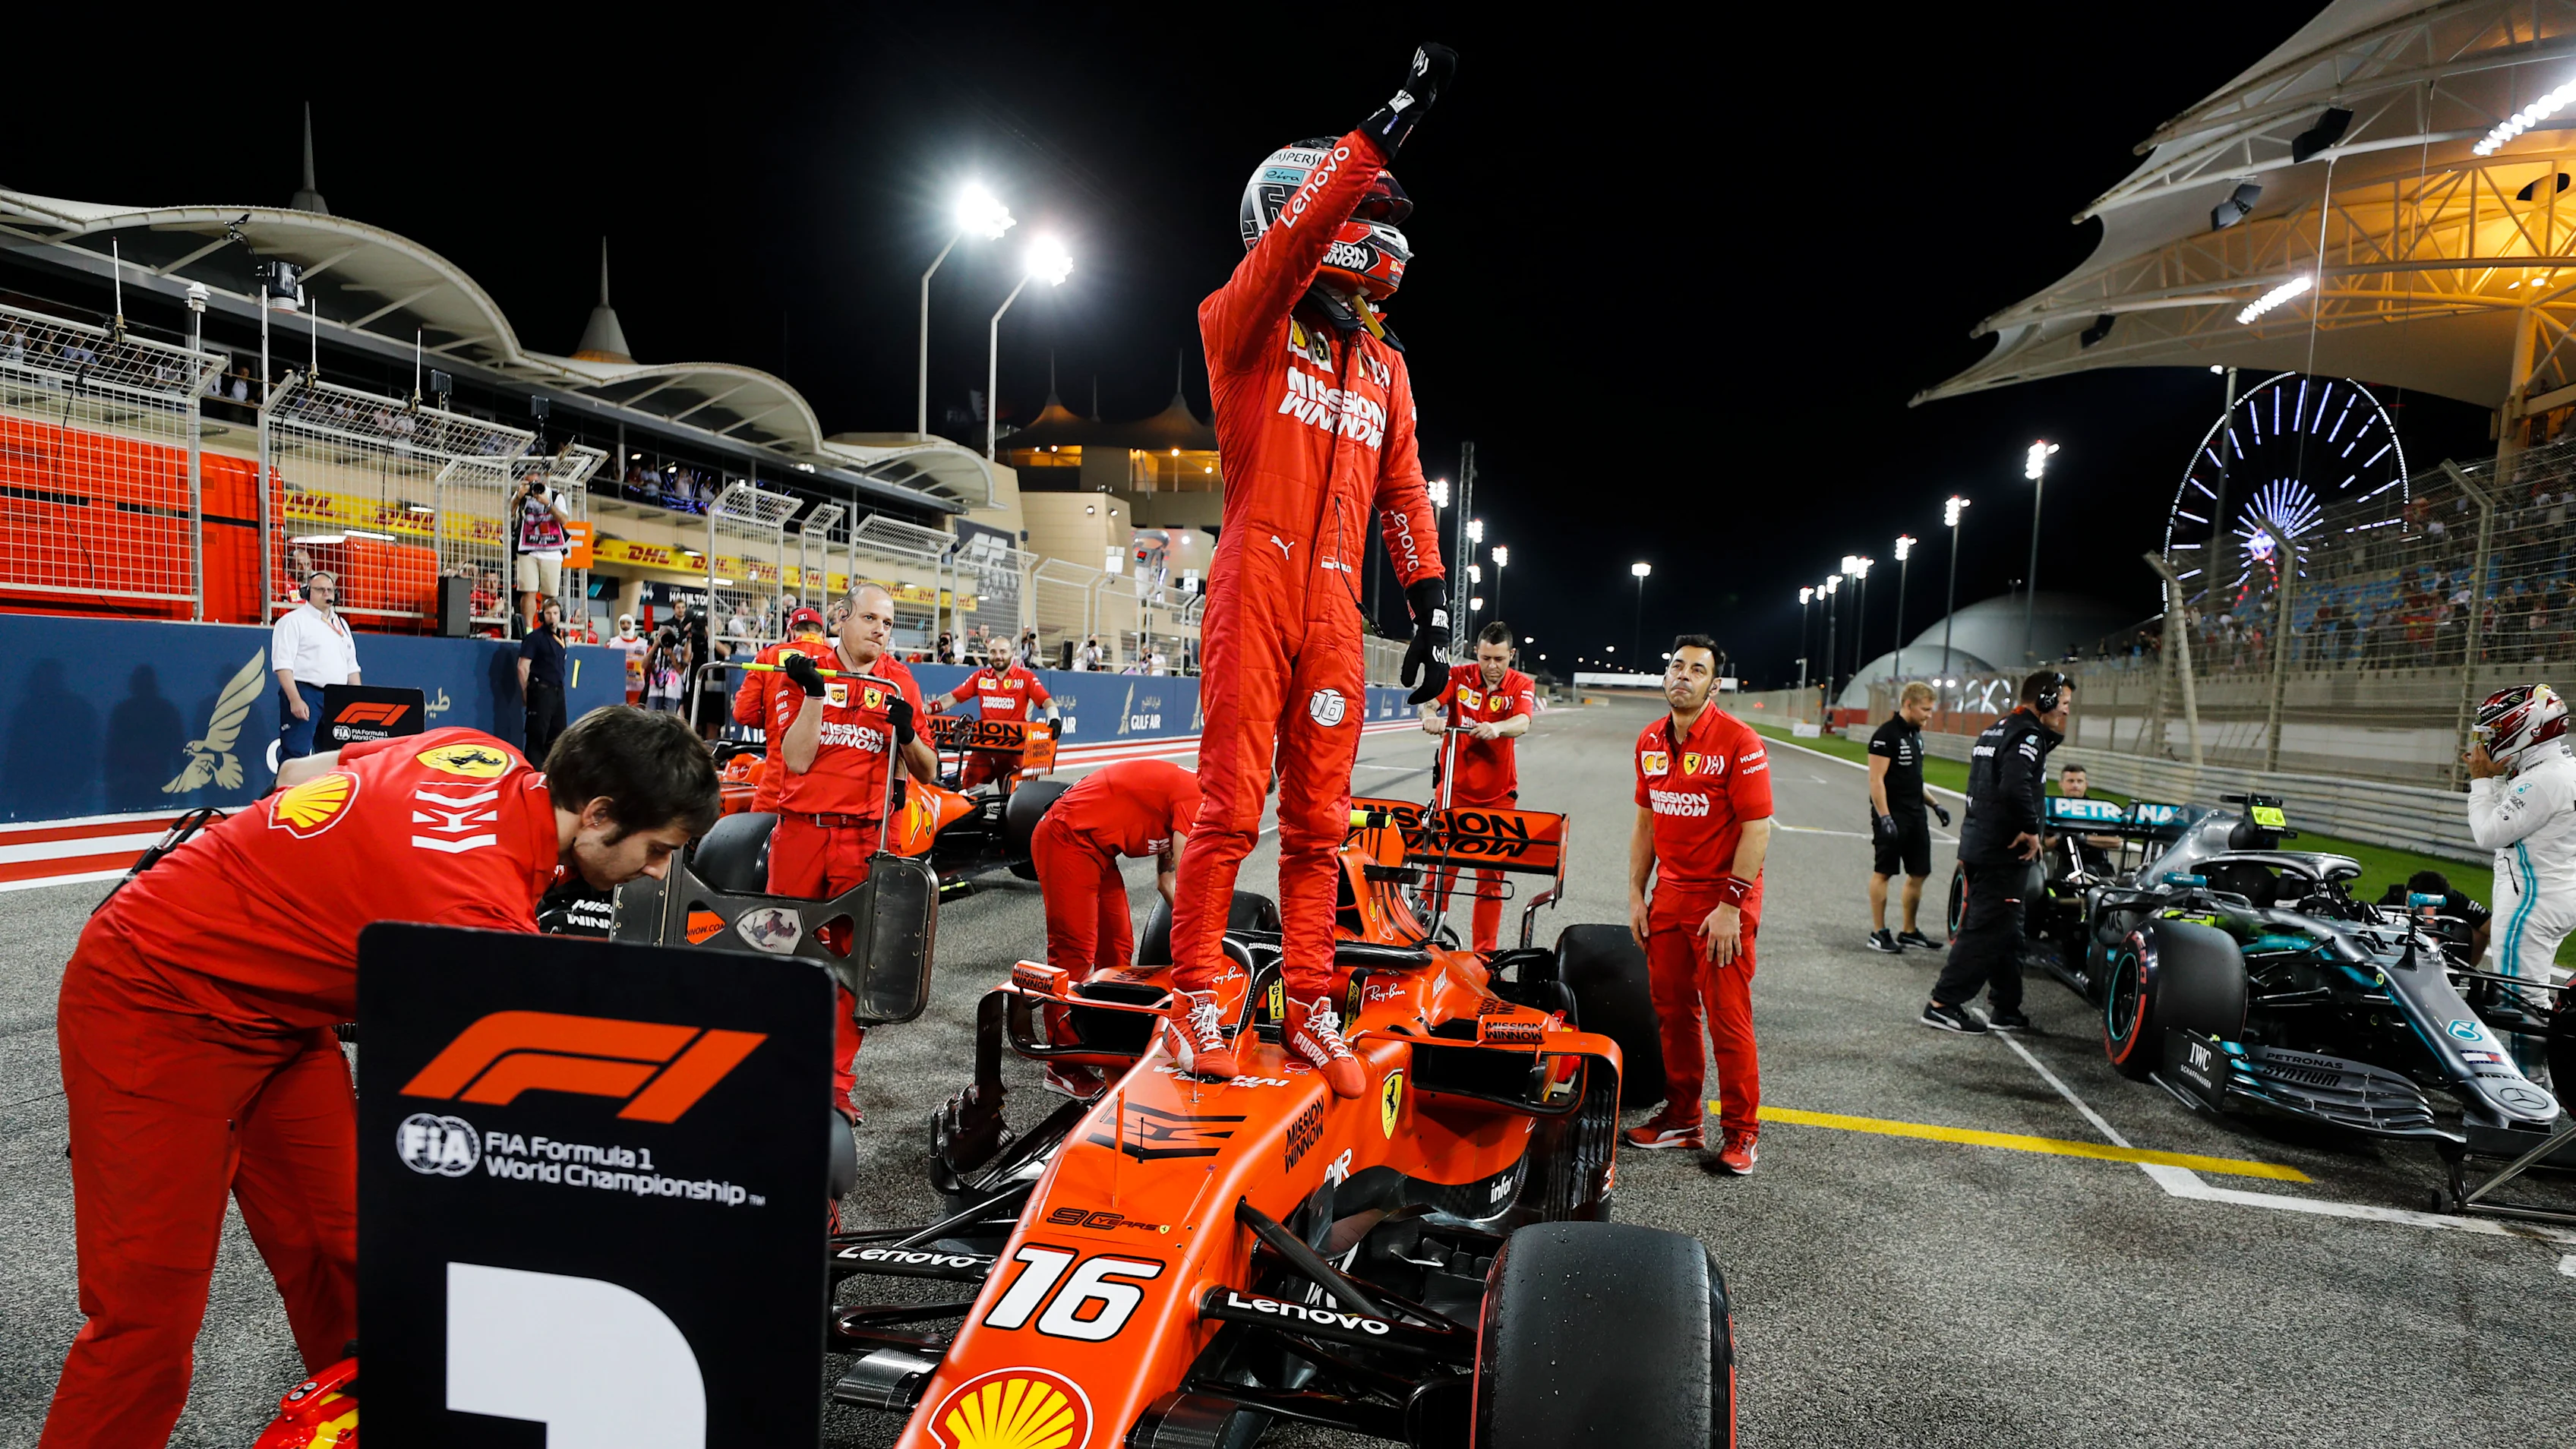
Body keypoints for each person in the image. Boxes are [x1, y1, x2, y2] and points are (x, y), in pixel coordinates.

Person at [41, 710, 716, 1446]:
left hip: (278, 1015)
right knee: (146, 1313)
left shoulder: (476, 751)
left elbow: (299, 775)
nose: (657, 871)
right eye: (659, 850)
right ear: (598, 815)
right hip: (150, 999)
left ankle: (361, 1427)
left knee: (353, 1252)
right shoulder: (474, 913)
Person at [1164, 43, 1457, 1097]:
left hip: (1335, 605)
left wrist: (1429, 607)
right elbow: (1299, 235)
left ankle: (1312, 1007)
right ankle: (1193, 992)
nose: (1385, 237)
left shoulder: (1385, 364)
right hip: (1257, 585)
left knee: (1320, 830)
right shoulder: (1244, 323)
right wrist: (1388, 121)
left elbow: (1406, 488)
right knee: (1229, 811)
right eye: (1366, 213)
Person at [771, 584, 939, 1116]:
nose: (879, 631)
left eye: (887, 623)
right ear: (842, 618)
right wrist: (816, 696)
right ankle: (777, 1065)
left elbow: (930, 771)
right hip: (802, 830)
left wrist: (908, 732)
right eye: (870, 618)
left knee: (851, 962)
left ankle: (835, 1085)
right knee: (784, 950)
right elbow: (795, 761)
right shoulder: (803, 670)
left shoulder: (899, 678)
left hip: (867, 839)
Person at [1623, 636, 1773, 1173]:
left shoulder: (1740, 741)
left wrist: (1732, 904)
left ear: (1714, 684)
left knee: (1728, 1021)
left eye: (1697, 670)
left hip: (1721, 902)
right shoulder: (1649, 740)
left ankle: (1742, 1133)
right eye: (1676, 666)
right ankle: (1683, 1117)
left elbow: (1757, 829)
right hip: (1670, 897)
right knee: (1672, 1014)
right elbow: (1646, 823)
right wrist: (1638, 893)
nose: (1682, 676)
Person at [1029, 757, 1203, 1100]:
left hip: (1097, 850)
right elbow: (1190, 881)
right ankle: (1061, 1067)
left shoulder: (1193, 801)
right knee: (1074, 952)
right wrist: (1206, 939)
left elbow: (1168, 882)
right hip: (1066, 836)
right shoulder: (1198, 797)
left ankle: (1100, 1041)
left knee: (1117, 950)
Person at [1924, 671, 2074, 1034]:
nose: (2067, 713)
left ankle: (2006, 1006)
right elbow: (2014, 786)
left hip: (1983, 841)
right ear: (2047, 701)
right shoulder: (2025, 733)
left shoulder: (2002, 728)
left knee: (2010, 928)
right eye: (2065, 705)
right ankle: (1943, 1002)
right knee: (1987, 929)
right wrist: (2031, 829)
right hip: (2003, 849)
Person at [1419, 620, 1534, 952]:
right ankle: (1424, 946)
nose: (1492, 667)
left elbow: (1523, 722)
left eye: (1499, 659)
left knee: (1490, 883)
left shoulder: (1520, 684)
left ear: (1511, 655)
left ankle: (1485, 959)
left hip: (1498, 799)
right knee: (1437, 877)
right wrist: (1430, 714)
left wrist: (1498, 729)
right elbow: (1430, 701)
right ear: (1476, 653)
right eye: (1486, 658)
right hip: (1453, 793)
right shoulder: (1458, 676)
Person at [2466, 684, 2576, 1025]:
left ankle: (2529, 1080)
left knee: (2520, 1007)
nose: (2484, 743)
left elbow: (2487, 833)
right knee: (2531, 1002)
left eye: (2494, 731)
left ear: (2521, 728)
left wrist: (2481, 781)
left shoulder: (2539, 782)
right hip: (2558, 891)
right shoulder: (2560, 770)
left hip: (2532, 902)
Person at [1864, 681, 1949, 954]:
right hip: (1892, 814)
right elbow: (1876, 781)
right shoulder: (1885, 735)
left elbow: (1915, 779)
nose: (1929, 714)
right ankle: (1878, 933)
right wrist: (1885, 817)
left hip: (1916, 814)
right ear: (1908, 704)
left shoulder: (1916, 736)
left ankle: (1909, 931)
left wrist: (1935, 805)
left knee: (1920, 872)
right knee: (1884, 872)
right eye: (1925, 709)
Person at [733, 606, 837, 813]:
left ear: (791, 632)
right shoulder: (839, 660)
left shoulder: (768, 656)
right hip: (827, 785)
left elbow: (743, 712)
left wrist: (775, 720)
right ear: (823, 634)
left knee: (758, 837)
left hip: (778, 780)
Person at [933, 633, 1062, 789]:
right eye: (993, 652)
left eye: (1003, 651)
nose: (998, 656)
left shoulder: (1026, 677)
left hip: (1015, 750)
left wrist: (1054, 719)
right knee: (967, 796)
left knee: (1015, 805)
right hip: (983, 747)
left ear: (1012, 654)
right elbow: (954, 696)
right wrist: (929, 708)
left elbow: (1046, 700)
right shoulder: (980, 677)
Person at [270, 570, 360, 762]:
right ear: (306, 593)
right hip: (305, 692)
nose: (327, 594)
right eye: (320, 590)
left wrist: (357, 699)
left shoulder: (341, 624)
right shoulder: (292, 621)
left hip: (336, 697)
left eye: (330, 590)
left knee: (331, 757)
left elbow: (351, 666)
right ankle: (287, 792)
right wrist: (295, 699)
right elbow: (282, 664)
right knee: (296, 754)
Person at [2376, 868, 2493, 968]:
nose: (2412, 908)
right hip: (2396, 958)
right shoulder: (2393, 899)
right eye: (2410, 901)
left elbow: (2490, 925)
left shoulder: (2454, 900)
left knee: (2478, 933)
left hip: (2439, 959)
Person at [510, 467, 572, 632]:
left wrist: (547, 503)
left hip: (552, 550)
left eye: (535, 483)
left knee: (550, 595)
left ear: (542, 482)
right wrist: (518, 496)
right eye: (528, 483)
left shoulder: (555, 496)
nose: (532, 487)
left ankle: (548, 629)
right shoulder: (522, 497)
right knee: (528, 591)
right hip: (528, 549)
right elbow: (508, 513)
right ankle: (529, 630)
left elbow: (564, 520)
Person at [517, 598, 570, 763]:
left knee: (558, 737)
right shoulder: (535, 638)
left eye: (555, 613)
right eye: (548, 613)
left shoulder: (560, 639)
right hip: (541, 691)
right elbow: (522, 667)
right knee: (537, 739)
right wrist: (526, 693)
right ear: (542, 616)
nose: (552, 617)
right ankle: (533, 777)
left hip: (558, 692)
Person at [2047, 764, 2120, 877]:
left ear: (2086, 785)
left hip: (2099, 869)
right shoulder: (2052, 809)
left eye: (2079, 781)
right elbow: (2042, 844)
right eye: (2070, 781)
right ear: (2061, 784)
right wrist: (2058, 837)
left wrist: (2083, 839)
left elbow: (2117, 842)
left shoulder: (2099, 810)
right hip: (2065, 868)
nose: (2075, 785)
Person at [614, 612, 649, 704]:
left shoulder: (644, 644)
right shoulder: (612, 643)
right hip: (618, 687)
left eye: (628, 623)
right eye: (623, 623)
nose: (625, 626)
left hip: (637, 687)